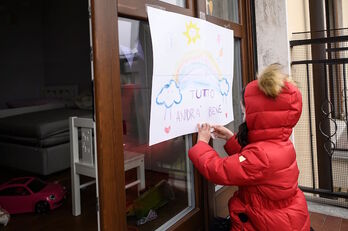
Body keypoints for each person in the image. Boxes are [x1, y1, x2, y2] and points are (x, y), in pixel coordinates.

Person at [188, 64, 310, 230]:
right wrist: (231, 139)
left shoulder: (261, 155)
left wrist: (202, 144)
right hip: (284, 219)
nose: (244, 116)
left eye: (246, 112)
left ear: (261, 115)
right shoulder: (280, 144)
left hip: (265, 223)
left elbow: (220, 170)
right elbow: (252, 164)